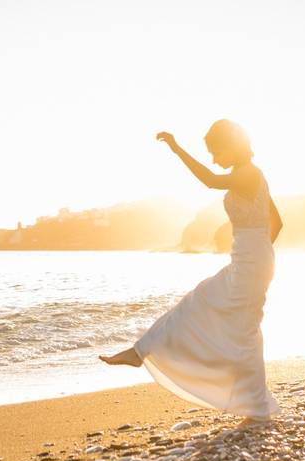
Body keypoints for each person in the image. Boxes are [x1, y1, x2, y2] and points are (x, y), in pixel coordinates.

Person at [99, 119, 283, 426]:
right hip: (253, 260)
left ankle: (141, 352)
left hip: (252, 261)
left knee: (223, 317)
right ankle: (255, 404)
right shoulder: (251, 176)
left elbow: (211, 180)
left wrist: (175, 148)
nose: (213, 159)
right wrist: (257, 249)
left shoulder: (249, 174)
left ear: (230, 145)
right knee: (233, 322)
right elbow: (277, 222)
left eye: (215, 151)